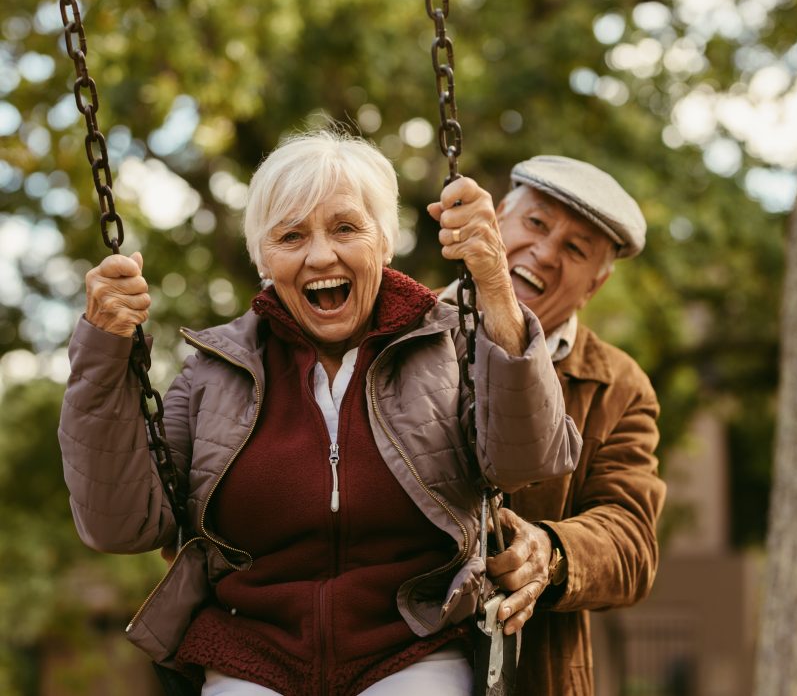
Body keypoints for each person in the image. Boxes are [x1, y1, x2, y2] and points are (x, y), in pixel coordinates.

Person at [58, 131, 581, 696]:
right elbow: (122, 525)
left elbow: (528, 459)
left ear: (384, 242)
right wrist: (104, 351)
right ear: (265, 258)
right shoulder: (214, 372)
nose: (321, 255)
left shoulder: (447, 344)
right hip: (250, 654)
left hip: (413, 647)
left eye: (346, 228)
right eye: (291, 235)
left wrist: (495, 288)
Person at [430, 155, 667, 695]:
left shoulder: (619, 387)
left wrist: (550, 551)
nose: (545, 252)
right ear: (497, 220)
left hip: (534, 676)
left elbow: (631, 541)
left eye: (576, 248)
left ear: (595, 286)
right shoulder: (397, 328)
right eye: (536, 223)